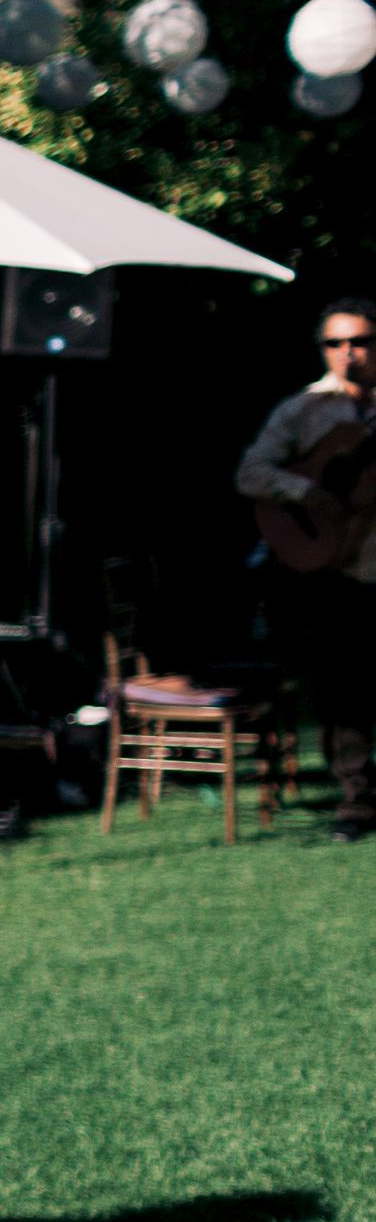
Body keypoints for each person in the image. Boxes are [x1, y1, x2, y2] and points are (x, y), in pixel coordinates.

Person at [234, 296, 376, 840]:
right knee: (343, 686)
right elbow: (251, 473)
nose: (348, 353)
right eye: (335, 343)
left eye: (359, 341)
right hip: (333, 566)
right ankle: (357, 801)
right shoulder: (304, 409)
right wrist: (308, 493)